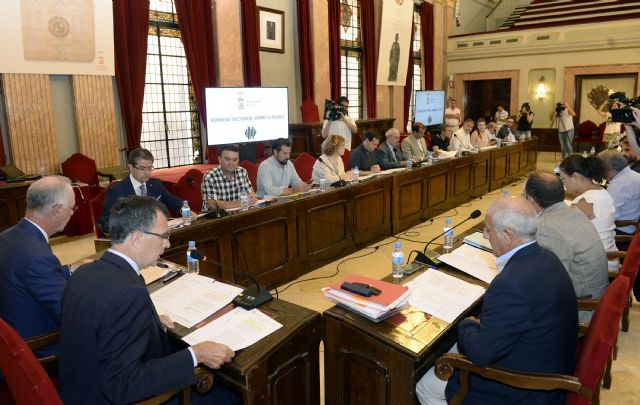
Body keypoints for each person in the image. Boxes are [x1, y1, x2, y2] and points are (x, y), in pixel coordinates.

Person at [59, 196, 238, 404]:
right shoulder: (127, 293)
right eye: (163, 236)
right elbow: (123, 385)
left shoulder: (84, 272)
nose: (168, 243)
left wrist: (149, 320)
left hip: (79, 390)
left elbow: (103, 326)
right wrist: (194, 355)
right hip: (108, 396)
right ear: (136, 238)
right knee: (231, 393)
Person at [416, 196, 577, 405]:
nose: (484, 235)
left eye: (488, 229)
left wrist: (465, 323)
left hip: (525, 390)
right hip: (548, 362)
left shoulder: (510, 285)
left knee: (425, 387)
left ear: (508, 235)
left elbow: (481, 354)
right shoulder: (547, 256)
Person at [0, 176, 86, 356]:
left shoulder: (8, 236)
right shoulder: (37, 256)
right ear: (58, 210)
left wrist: (70, 269)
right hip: (37, 349)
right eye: (73, 208)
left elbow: (24, 275)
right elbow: (70, 313)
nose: (73, 213)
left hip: (13, 329)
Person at [523, 171, 608, 323]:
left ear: (530, 199)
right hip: (597, 296)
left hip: (582, 310)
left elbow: (549, 285)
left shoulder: (547, 229)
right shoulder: (573, 212)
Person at [559, 155, 618, 271]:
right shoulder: (601, 191)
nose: (563, 183)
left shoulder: (586, 201)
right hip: (609, 256)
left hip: (597, 266)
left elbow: (561, 232)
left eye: (563, 178)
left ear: (575, 176)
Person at [103, 148, 186, 228]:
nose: (147, 172)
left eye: (150, 168)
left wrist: (185, 209)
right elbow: (109, 222)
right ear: (131, 167)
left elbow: (171, 200)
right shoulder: (116, 191)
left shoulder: (156, 184)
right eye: (142, 168)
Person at [598, 150, 640, 238]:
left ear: (612, 170)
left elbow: (609, 217)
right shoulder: (636, 176)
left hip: (620, 231)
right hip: (632, 227)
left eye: (602, 171)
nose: (602, 175)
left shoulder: (618, 185)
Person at [201, 145, 256, 211]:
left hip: (239, 214)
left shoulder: (242, 172)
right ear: (219, 159)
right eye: (227, 159)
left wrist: (252, 198)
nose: (231, 163)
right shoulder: (210, 177)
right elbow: (213, 205)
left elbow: (251, 193)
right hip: (216, 218)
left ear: (238, 160)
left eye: (234, 160)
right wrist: (241, 202)